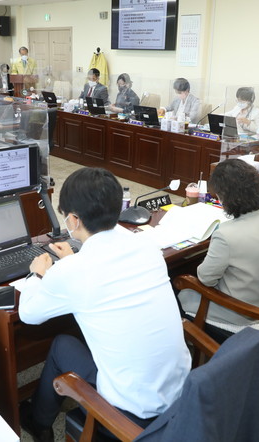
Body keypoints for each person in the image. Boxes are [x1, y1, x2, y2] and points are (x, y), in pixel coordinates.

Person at [18, 167, 191, 441]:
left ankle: (38, 423)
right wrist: (73, 260)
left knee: (62, 344)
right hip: (181, 394)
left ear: (73, 220)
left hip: (131, 414)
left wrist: (37, 274)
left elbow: (28, 314)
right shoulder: (147, 247)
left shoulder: (75, 271)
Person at [178, 159, 259, 342]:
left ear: (226, 197)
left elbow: (205, 279)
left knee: (180, 290)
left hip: (239, 315)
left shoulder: (226, 234)